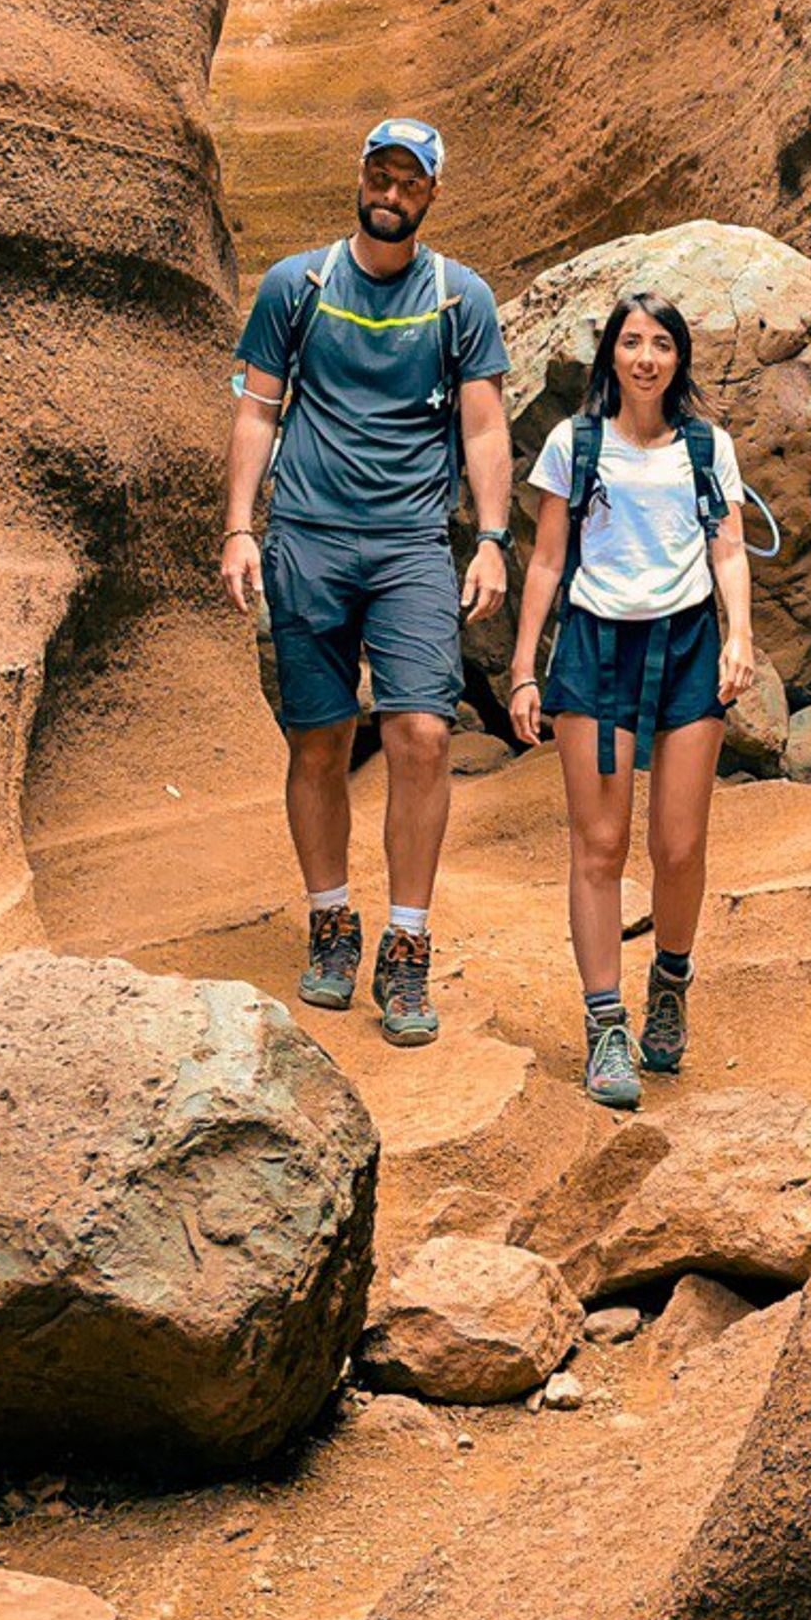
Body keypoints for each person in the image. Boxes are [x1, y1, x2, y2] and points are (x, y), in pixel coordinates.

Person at [220, 117, 513, 1048]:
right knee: (318, 737)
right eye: (380, 174)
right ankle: (332, 920)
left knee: (423, 731)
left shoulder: (459, 299)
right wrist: (238, 527)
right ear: (361, 177)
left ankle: (408, 944)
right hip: (305, 535)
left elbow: (483, 428)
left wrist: (494, 538)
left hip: (410, 546)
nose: (391, 191)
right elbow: (260, 410)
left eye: (410, 181)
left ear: (430, 195)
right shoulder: (295, 286)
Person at [508, 293, 756, 1108]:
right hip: (595, 644)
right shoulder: (573, 444)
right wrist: (523, 667)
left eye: (660, 344)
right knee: (600, 842)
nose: (645, 357)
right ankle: (605, 1023)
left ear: (679, 358)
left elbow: (726, 547)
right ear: (609, 355)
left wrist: (738, 634)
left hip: (683, 646)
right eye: (630, 342)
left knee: (679, 845)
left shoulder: (705, 447)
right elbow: (546, 561)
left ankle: (671, 985)